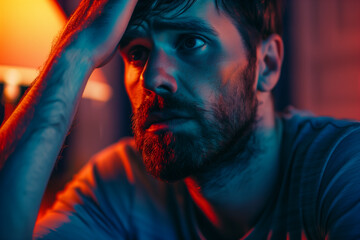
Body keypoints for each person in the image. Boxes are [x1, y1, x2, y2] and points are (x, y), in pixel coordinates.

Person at [0, 0, 360, 239]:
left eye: (191, 42)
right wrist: (75, 51)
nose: (153, 77)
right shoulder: (119, 183)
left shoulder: (344, 167)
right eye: (137, 53)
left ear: (266, 66)